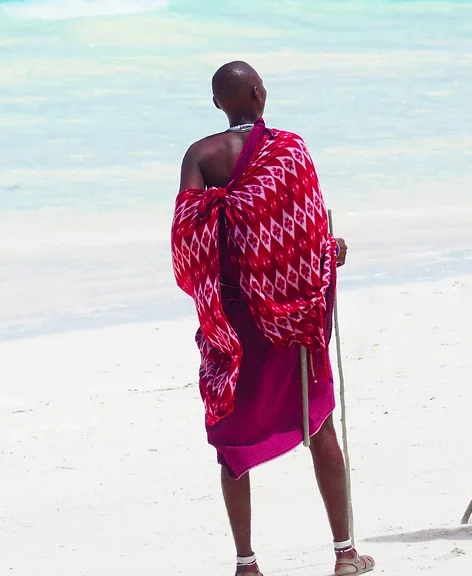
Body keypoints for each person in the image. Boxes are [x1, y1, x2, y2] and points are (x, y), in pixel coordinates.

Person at [171, 61, 375, 575]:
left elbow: (188, 244)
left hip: (236, 322)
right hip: (291, 321)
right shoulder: (291, 150)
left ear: (219, 103)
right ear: (260, 94)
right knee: (320, 424)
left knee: (231, 441)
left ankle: (246, 564)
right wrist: (329, 252)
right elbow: (305, 236)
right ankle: (345, 554)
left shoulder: (200, 155)